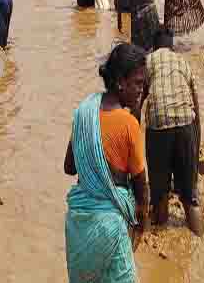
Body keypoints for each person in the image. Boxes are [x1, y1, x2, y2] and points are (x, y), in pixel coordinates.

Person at [63, 44, 149, 283]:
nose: (141, 91)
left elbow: (69, 167)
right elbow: (142, 188)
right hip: (109, 224)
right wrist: (141, 226)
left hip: (78, 223)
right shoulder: (128, 124)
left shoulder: (83, 113)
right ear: (120, 82)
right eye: (138, 84)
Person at [135, 27, 204, 236]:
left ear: (154, 46)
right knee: (190, 199)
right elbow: (196, 108)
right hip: (186, 126)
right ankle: (200, 239)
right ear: (172, 45)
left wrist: (132, 132)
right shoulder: (183, 62)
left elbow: (139, 99)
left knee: (160, 196)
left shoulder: (147, 61)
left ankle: (161, 230)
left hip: (158, 129)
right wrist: (195, 145)